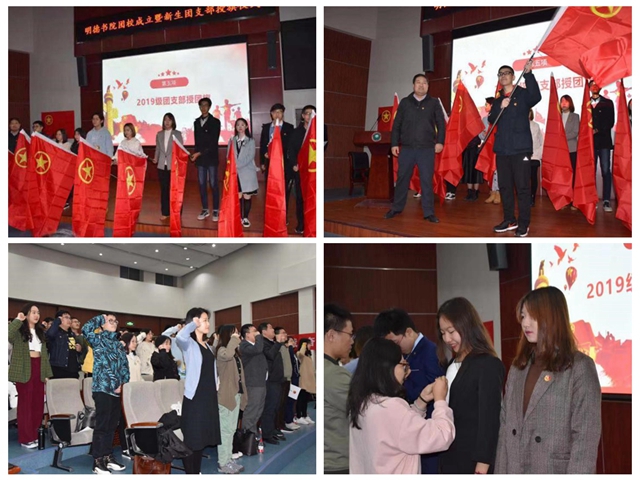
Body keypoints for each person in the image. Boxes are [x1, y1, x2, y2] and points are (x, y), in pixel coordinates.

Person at [495, 286, 601, 474]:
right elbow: (505, 429)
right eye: (523, 316)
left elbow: (585, 439)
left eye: (533, 316)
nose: (525, 323)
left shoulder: (578, 367)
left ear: (552, 317)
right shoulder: (518, 368)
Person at [348, 338, 454, 474]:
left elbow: (399, 431)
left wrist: (421, 401)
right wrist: (440, 401)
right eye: (403, 365)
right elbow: (441, 436)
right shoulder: (390, 407)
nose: (407, 372)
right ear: (387, 367)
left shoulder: (363, 402)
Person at [435, 298, 505, 474]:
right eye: (443, 333)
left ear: (466, 325)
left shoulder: (488, 364)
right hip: (450, 458)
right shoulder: (451, 364)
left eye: (451, 331)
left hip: (473, 462)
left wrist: (482, 465)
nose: (447, 339)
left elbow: (489, 421)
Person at [373, 308, 444, 474]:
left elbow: (436, 389)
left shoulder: (430, 352)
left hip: (427, 429)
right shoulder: (407, 353)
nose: (394, 349)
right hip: (410, 426)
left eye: (395, 342)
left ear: (409, 332)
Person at [489, 61, 541, 237]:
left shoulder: (522, 94)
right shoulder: (498, 100)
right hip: (502, 150)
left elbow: (536, 97)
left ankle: (524, 223)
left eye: (507, 73)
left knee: (522, 187)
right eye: (500, 74)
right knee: (504, 187)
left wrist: (529, 74)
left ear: (513, 76)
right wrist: (500, 107)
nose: (503, 76)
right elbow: (492, 119)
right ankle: (509, 219)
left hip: (520, 150)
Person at [385, 73, 446, 223]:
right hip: (407, 148)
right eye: (418, 82)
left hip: (427, 149)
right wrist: (394, 144)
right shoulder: (405, 102)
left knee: (426, 181)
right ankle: (396, 208)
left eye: (424, 83)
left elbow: (441, 124)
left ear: (428, 86)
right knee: (402, 179)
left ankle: (429, 212)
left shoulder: (434, 103)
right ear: (413, 85)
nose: (421, 85)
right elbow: (397, 125)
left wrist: (440, 142)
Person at [175, 308, 221, 474]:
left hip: (209, 397)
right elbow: (180, 337)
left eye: (208, 320)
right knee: (192, 439)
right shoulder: (189, 344)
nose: (208, 323)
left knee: (201, 439)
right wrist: (192, 324)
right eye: (204, 320)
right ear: (194, 321)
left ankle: (197, 472)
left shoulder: (207, 345)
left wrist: (217, 383)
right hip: (195, 398)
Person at [82, 313, 128, 474]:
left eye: (115, 321)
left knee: (112, 425)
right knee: (102, 425)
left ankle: (108, 456)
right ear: (102, 324)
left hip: (116, 390)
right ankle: (97, 461)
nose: (114, 323)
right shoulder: (98, 339)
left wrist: (122, 383)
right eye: (110, 321)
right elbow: (85, 328)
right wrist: (101, 318)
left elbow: (124, 366)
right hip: (102, 388)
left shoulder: (118, 344)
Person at [9, 304, 53, 449]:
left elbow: (44, 355)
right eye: (33, 312)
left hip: (39, 366)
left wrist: (46, 373)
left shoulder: (40, 332)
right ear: (26, 314)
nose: (36, 315)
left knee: (37, 404)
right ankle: (26, 438)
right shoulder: (19, 330)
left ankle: (34, 434)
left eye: (38, 312)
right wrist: (18, 320)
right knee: (26, 405)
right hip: (24, 368)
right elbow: (7, 335)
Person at [324, 304, 354, 474]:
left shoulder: (329, 368)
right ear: (331, 335)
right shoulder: (333, 374)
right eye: (350, 334)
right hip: (336, 464)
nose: (352, 341)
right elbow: (367, 409)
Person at [215, 325, 247, 474]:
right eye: (234, 333)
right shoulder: (222, 351)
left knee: (232, 430)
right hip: (226, 396)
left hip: (236, 394)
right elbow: (227, 355)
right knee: (225, 431)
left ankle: (228, 459)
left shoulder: (234, 353)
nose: (237, 335)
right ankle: (223, 463)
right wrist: (234, 340)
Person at [191, 97, 222, 222]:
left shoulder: (215, 122)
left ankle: (216, 209)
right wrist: (195, 154)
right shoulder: (196, 122)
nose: (203, 107)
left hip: (211, 157)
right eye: (201, 105)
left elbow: (213, 142)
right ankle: (205, 209)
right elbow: (197, 141)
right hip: (200, 159)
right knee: (202, 184)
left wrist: (199, 153)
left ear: (209, 107)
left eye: (205, 105)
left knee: (213, 184)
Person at [287, 105, 316, 234]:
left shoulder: (318, 131)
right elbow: (291, 150)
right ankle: (301, 224)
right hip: (300, 170)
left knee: (314, 196)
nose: (309, 116)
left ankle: (314, 223)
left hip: (314, 170)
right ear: (303, 116)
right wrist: (294, 164)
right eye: (307, 113)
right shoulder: (296, 132)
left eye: (312, 113)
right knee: (300, 197)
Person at [589, 80, 615, 213]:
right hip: (590, 143)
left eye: (596, 85)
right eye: (592, 85)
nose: (594, 87)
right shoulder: (586, 103)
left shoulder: (608, 103)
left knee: (605, 170)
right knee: (591, 172)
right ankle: (592, 199)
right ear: (589, 88)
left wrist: (597, 129)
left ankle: (606, 200)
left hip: (604, 142)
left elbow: (610, 122)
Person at [227, 118, 258, 228]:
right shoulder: (232, 140)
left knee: (247, 196)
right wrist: (232, 166)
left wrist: (237, 165)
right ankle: (239, 217)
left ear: (246, 127)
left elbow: (250, 157)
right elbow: (228, 156)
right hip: (235, 173)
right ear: (235, 127)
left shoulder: (251, 141)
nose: (240, 127)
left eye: (242, 125)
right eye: (238, 125)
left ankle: (245, 218)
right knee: (238, 196)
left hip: (247, 172)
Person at [259, 322, 286, 444]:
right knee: (269, 408)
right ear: (264, 332)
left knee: (275, 407)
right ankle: (267, 434)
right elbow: (270, 355)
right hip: (270, 381)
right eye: (270, 328)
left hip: (277, 380)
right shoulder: (263, 343)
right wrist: (278, 343)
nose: (273, 330)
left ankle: (273, 429)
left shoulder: (272, 343)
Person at [238, 324, 267, 436]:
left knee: (259, 409)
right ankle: (247, 435)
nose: (257, 333)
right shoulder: (244, 346)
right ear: (247, 334)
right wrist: (259, 336)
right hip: (253, 383)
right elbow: (258, 349)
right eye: (254, 331)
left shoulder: (256, 345)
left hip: (260, 382)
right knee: (251, 410)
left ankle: (253, 433)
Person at [153, 113, 183, 220]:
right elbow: (157, 148)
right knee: (164, 190)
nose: (167, 122)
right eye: (165, 119)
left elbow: (180, 149)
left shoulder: (177, 134)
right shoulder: (159, 134)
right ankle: (165, 212)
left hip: (173, 165)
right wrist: (156, 158)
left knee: (175, 190)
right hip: (162, 165)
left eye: (169, 120)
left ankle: (177, 212)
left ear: (173, 122)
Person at [259, 103, 294, 186]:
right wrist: (263, 162)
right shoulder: (266, 127)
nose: (277, 114)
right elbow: (262, 145)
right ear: (271, 114)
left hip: (283, 162)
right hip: (269, 161)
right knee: (270, 185)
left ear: (283, 113)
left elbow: (291, 146)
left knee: (283, 185)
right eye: (275, 112)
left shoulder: (289, 127)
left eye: (279, 112)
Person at [45, 309, 81, 379]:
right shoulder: (55, 333)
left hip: (72, 369)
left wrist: (78, 350)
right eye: (66, 317)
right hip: (59, 369)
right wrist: (57, 321)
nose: (69, 320)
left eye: (69, 318)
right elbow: (49, 335)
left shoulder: (72, 334)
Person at [560, 95, 580, 209]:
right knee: (562, 176)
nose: (563, 103)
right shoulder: (557, 116)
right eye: (562, 101)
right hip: (560, 150)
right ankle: (564, 200)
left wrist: (562, 138)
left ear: (570, 103)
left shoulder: (575, 116)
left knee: (573, 176)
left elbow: (575, 132)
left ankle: (574, 201)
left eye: (566, 101)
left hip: (571, 149)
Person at [482, 97, 501, 205]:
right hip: (489, 148)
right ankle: (493, 192)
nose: (485, 106)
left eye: (487, 104)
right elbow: (481, 134)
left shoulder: (500, 117)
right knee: (492, 170)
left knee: (498, 170)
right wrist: (483, 135)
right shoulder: (486, 119)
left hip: (499, 147)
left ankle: (498, 192)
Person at [295, 337, 316, 425]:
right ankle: (299, 416)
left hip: (309, 380)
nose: (310, 345)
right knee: (301, 398)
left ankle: (304, 415)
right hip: (303, 380)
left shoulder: (308, 355)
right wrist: (304, 345)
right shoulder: (300, 354)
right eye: (309, 344)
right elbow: (300, 354)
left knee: (306, 399)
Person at [529, 110, 543, 207]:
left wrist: (538, 155)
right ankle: (525, 197)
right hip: (522, 156)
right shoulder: (519, 124)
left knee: (533, 176)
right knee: (523, 178)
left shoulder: (536, 125)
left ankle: (532, 197)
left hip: (534, 156)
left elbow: (540, 141)